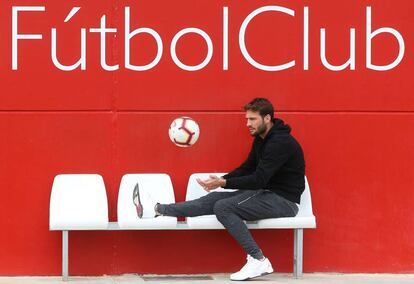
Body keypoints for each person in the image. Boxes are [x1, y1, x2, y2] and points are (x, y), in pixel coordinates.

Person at [133, 97, 305, 281]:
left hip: (283, 201)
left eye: (252, 119)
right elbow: (247, 168)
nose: (247, 123)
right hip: (265, 194)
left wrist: (224, 183)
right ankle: (157, 209)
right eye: (247, 119)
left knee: (223, 207)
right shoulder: (262, 140)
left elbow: (259, 179)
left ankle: (258, 259)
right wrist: (222, 180)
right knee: (213, 199)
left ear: (267, 118)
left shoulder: (280, 143)